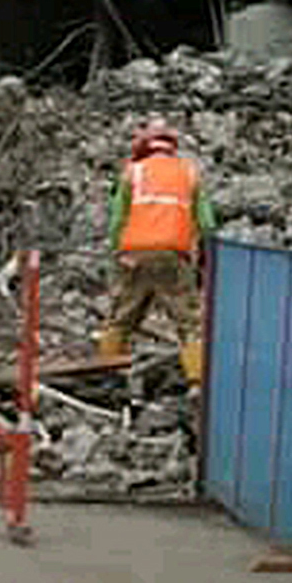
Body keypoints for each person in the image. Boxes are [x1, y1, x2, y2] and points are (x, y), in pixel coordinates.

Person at [97, 119, 214, 385]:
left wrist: (117, 252)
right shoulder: (189, 173)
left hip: (133, 255)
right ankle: (197, 382)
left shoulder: (133, 172)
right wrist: (204, 258)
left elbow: (117, 220)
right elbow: (207, 223)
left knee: (122, 316)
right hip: (173, 256)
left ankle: (104, 374)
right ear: (172, 148)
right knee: (189, 321)